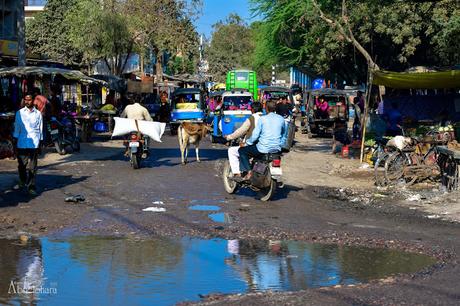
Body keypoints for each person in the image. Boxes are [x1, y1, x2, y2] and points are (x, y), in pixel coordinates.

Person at [238, 101, 286, 181]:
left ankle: (249, 172)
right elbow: (284, 133)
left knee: (242, 151)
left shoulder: (262, 119)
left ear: (266, 108)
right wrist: (280, 144)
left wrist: (247, 143)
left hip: (263, 149)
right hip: (277, 148)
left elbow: (255, 135)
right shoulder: (281, 119)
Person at [12, 93, 43, 195]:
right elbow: (17, 128)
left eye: (29, 100)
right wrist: (15, 141)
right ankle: (22, 180)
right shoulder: (19, 113)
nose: (27, 101)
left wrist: (40, 143)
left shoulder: (38, 114)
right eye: (26, 99)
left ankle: (31, 186)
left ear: (33, 100)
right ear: (24, 100)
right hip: (22, 142)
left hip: (34, 142)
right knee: (22, 164)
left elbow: (40, 129)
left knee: (33, 166)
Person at [225, 102, 263, 178]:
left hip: (254, 145)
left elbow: (241, 131)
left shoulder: (251, 119)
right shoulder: (265, 117)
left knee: (232, 151)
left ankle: (237, 173)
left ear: (252, 110)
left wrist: (229, 137)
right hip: (265, 145)